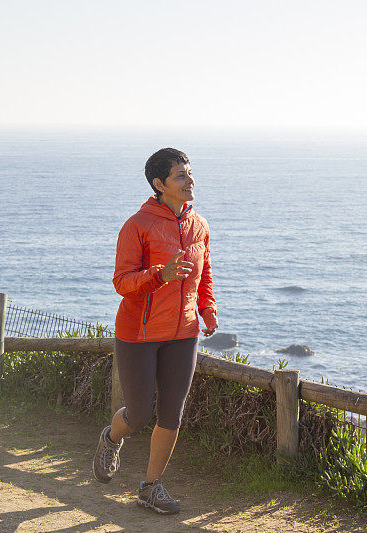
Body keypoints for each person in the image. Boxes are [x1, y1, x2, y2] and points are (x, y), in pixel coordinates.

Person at [92, 147, 218, 515]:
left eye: (190, 173)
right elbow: (122, 282)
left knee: (171, 414)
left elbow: (204, 272)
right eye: (181, 176)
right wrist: (158, 276)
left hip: (185, 333)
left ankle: (150, 487)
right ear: (159, 184)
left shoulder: (200, 225)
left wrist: (208, 309)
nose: (190, 181)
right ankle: (112, 436)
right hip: (139, 335)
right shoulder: (138, 225)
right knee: (140, 414)